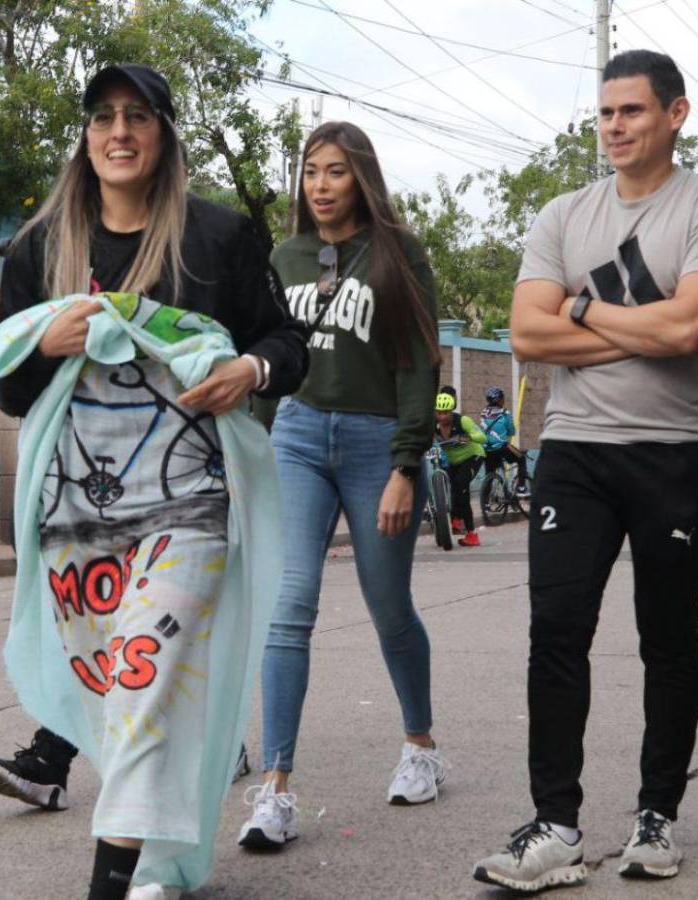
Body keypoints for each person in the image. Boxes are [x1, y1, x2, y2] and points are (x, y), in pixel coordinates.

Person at [0, 63, 307, 900]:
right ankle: (158, 868)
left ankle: (111, 880)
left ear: (163, 134)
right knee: (119, 701)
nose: (118, 132)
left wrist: (249, 369)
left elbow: (287, 342)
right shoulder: (36, 248)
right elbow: (9, 389)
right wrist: (46, 346)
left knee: (143, 676)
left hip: (189, 504)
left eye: (137, 117)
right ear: (86, 137)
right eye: (102, 118)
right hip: (74, 516)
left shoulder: (219, 237)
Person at [472, 50, 698, 891]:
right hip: (577, 451)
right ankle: (555, 828)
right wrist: (646, 323)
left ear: (676, 114)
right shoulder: (563, 213)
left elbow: (688, 333)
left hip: (677, 453)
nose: (616, 127)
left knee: (668, 638)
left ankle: (656, 819)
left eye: (633, 111)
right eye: (605, 113)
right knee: (556, 633)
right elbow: (527, 335)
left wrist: (584, 309)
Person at [238, 121, 442, 852]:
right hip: (295, 435)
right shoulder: (283, 256)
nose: (320, 186)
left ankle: (420, 744)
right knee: (289, 605)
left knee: (389, 607)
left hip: (374, 443)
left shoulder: (398, 253)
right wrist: (250, 451)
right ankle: (276, 789)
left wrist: (405, 464)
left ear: (361, 179)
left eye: (335, 172)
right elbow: (268, 357)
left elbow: (419, 361)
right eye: (310, 172)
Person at [434, 392, 485, 548]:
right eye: (439, 413)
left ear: (452, 410)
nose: (442, 417)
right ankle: (452, 520)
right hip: (453, 462)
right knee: (451, 487)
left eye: (446, 413)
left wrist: (470, 437)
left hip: (473, 456)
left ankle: (471, 534)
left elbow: (483, 437)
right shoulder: (432, 424)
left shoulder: (463, 421)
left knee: (461, 486)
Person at [480, 386, 529, 496]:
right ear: (499, 400)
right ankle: (521, 488)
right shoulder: (505, 413)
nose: (504, 400)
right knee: (521, 458)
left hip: (487, 450)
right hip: (502, 447)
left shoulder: (483, 414)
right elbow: (512, 431)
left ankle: (486, 503)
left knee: (490, 475)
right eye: (502, 398)